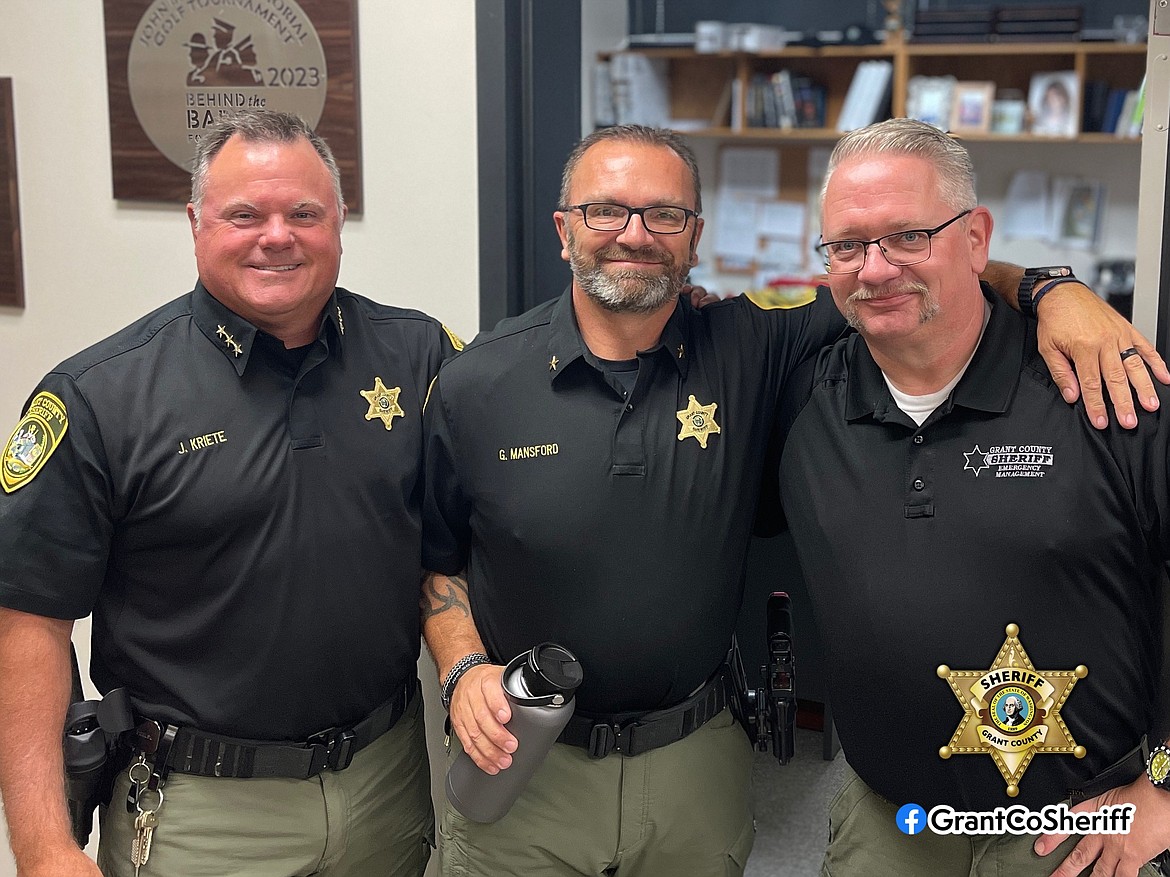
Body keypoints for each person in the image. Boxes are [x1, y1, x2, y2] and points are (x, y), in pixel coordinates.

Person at [419, 123, 1163, 877]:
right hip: (544, 762)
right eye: (605, 210)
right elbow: (435, 554)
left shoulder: (758, 349)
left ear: (695, 235)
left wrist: (1051, 287)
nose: (634, 235)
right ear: (564, 229)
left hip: (722, 767)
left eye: (664, 214)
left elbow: (916, 278)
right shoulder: (479, 382)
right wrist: (462, 668)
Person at [0, 110, 460, 877]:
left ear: (340, 219)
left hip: (383, 786)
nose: (275, 236)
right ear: (195, 222)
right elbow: (28, 626)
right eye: (243, 213)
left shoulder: (418, 355)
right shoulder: (99, 396)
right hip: (199, 813)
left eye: (303, 212)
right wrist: (45, 845)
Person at [772, 117, 1170, 877]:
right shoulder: (799, 396)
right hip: (884, 821)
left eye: (910, 235)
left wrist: (1166, 790)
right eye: (848, 245)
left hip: (1078, 832)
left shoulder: (1104, 387)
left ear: (977, 238)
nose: (877, 268)